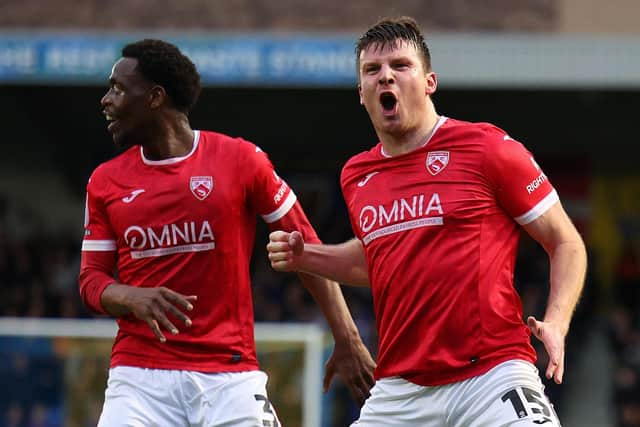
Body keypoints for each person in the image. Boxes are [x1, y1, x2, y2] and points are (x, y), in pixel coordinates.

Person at [267, 17, 587, 427]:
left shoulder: (487, 148)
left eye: (400, 66)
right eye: (372, 70)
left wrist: (557, 323)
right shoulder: (355, 175)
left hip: (491, 374)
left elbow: (565, 242)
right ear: (361, 93)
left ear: (429, 81)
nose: (386, 76)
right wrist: (305, 256)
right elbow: (375, 261)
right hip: (401, 390)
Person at [78, 39, 375, 426]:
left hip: (229, 376)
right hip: (139, 379)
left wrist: (347, 337)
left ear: (154, 97)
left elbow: (307, 251)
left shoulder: (241, 160)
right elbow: (90, 280)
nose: (105, 100)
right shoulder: (105, 182)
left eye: (117, 89)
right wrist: (129, 296)